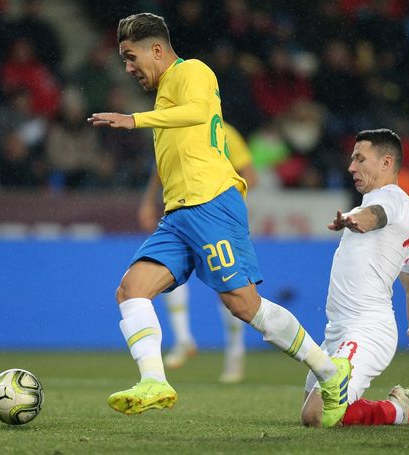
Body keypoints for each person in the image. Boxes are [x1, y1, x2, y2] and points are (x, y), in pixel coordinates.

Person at [88, 13, 350, 424]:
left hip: (211, 203)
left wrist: (135, 120)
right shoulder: (163, 95)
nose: (127, 68)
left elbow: (195, 112)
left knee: (244, 305)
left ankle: (331, 373)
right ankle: (155, 381)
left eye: (130, 56)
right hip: (177, 214)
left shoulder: (192, 71)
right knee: (131, 289)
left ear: (157, 50)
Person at [299, 129, 409, 427]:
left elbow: (376, 214)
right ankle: (399, 406)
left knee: (316, 416)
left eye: (360, 159)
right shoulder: (408, 224)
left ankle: (403, 411)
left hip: (366, 331)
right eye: (351, 159)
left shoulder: (392, 200)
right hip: (339, 332)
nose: (351, 167)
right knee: (313, 403)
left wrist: (356, 220)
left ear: (386, 163)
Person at [137, 122, 257, 383]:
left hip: (218, 219)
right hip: (186, 214)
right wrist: (148, 201)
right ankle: (183, 339)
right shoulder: (175, 127)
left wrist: (226, 206)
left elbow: (250, 174)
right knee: (169, 269)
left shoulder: (222, 130)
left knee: (230, 290)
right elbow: (162, 167)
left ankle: (234, 357)